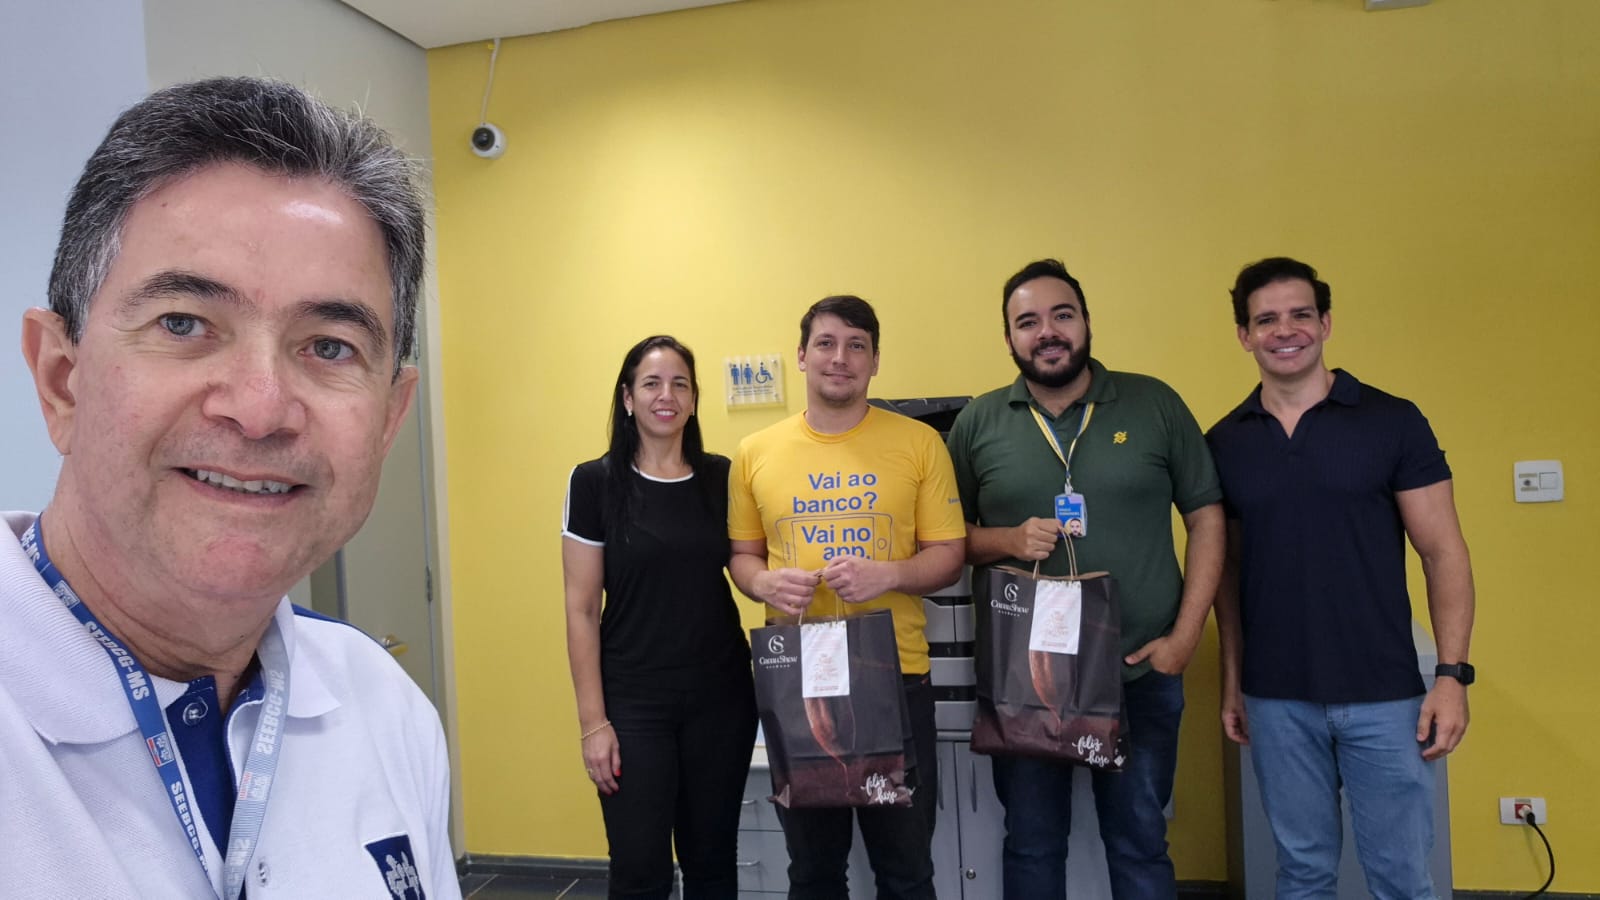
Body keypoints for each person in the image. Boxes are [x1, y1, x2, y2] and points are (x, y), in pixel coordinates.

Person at [0, 77, 459, 898]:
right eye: (183, 324)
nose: (260, 408)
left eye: (329, 346)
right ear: (62, 380)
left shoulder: (385, 708)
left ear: (389, 419)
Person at [946, 258, 1225, 900]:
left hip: (1139, 670)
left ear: (1086, 322)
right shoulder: (979, 422)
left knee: (1140, 841)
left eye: (1062, 315)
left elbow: (1207, 517)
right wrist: (1007, 540)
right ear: (1009, 338)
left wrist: (1185, 637)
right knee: (1032, 844)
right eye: (1027, 322)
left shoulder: (1154, 403)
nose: (1047, 331)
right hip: (1025, 680)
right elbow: (944, 538)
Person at [1207, 257, 1475, 898]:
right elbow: (1227, 575)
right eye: (1266, 319)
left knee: (1402, 878)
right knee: (1302, 875)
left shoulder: (1392, 421)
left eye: (1300, 314)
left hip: (1385, 694)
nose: (1285, 330)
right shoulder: (1224, 442)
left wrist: (1451, 677)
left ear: (1325, 323)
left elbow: (1444, 553)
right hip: (1277, 698)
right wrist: (1234, 680)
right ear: (1244, 335)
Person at [728, 295, 966, 900]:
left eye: (857, 345)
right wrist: (763, 583)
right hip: (798, 679)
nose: (841, 358)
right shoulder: (754, 453)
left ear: (875, 361)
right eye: (827, 344)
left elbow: (949, 554)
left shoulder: (919, 444)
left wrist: (888, 575)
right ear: (801, 355)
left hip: (896, 678)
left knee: (906, 871)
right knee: (812, 871)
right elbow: (742, 557)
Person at [562, 335, 758, 899]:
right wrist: (593, 723)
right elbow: (581, 609)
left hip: (721, 699)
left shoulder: (722, 477)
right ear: (628, 398)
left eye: (680, 384)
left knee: (712, 865)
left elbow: (749, 564)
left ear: (694, 400)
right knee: (639, 870)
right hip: (633, 704)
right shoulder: (594, 483)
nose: (666, 395)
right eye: (651, 383)